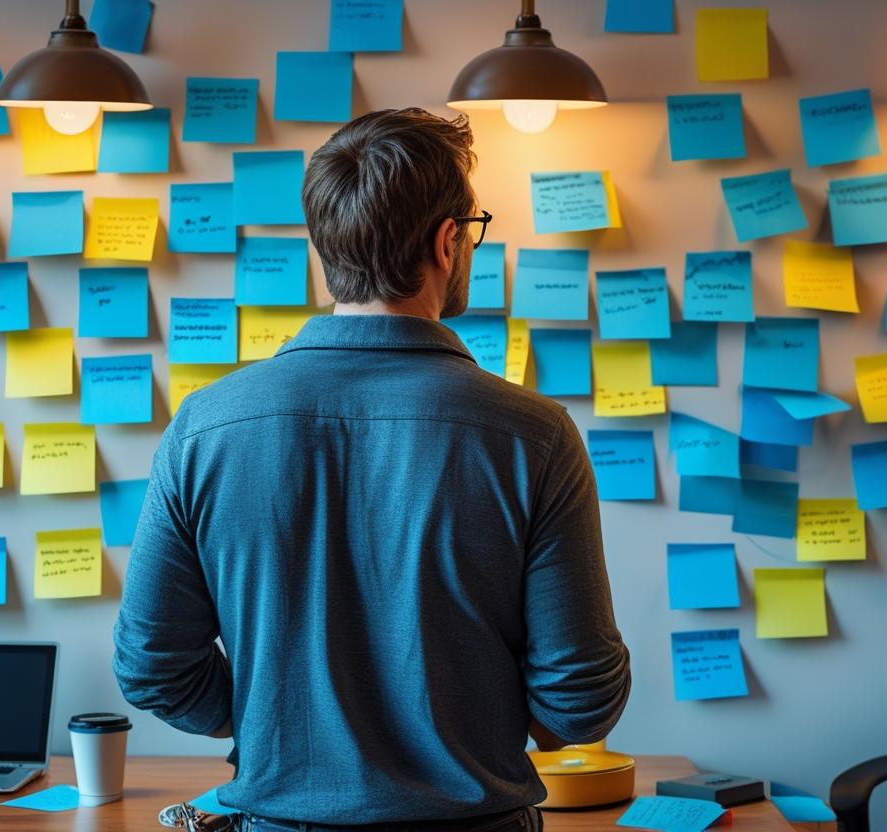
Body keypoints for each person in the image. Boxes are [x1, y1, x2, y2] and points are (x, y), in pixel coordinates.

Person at [113, 108, 631, 832]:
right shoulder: (534, 436)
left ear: (328, 245)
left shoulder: (206, 427)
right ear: (447, 240)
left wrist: (278, 719)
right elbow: (579, 703)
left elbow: (152, 666)